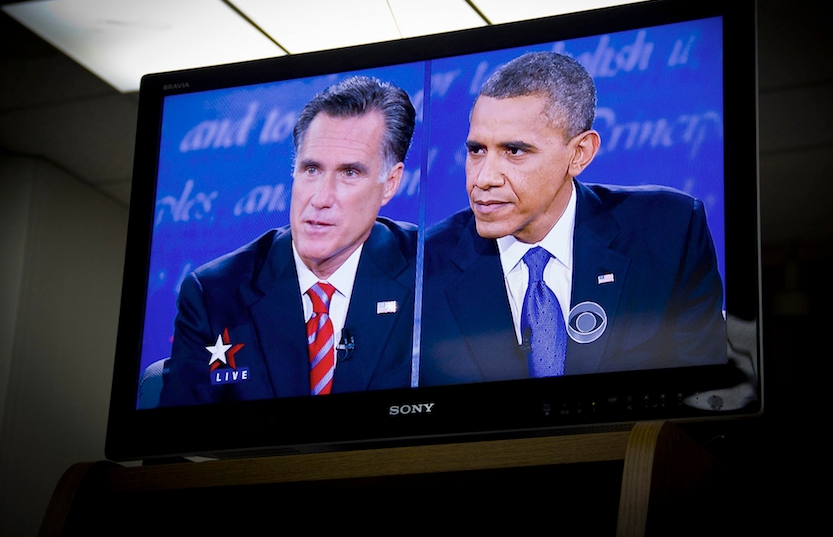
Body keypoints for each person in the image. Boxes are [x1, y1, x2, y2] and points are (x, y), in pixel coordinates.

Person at [419, 52, 727, 386]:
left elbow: (703, 400)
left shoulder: (669, 233)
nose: (483, 178)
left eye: (515, 151)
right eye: (477, 150)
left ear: (579, 154)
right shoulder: (424, 265)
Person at [160, 76, 417, 406]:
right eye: (311, 169)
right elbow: (178, 438)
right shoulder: (214, 293)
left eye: (349, 173)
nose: (321, 198)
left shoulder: (428, 271)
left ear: (390, 183)